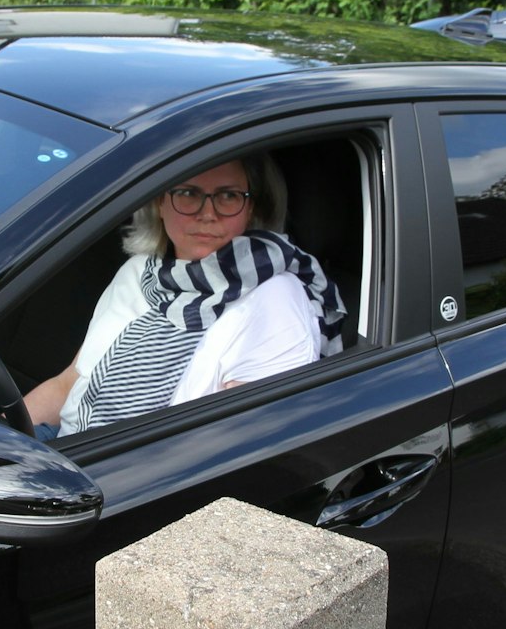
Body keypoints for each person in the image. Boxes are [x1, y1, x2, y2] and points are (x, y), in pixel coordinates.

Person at [24, 153, 346, 437]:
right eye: (188, 193)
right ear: (159, 203)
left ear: (250, 208)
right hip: (64, 442)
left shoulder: (275, 299)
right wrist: (4, 433)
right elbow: (68, 384)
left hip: (128, 472)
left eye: (228, 196)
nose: (208, 213)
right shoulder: (139, 272)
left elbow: (246, 446)